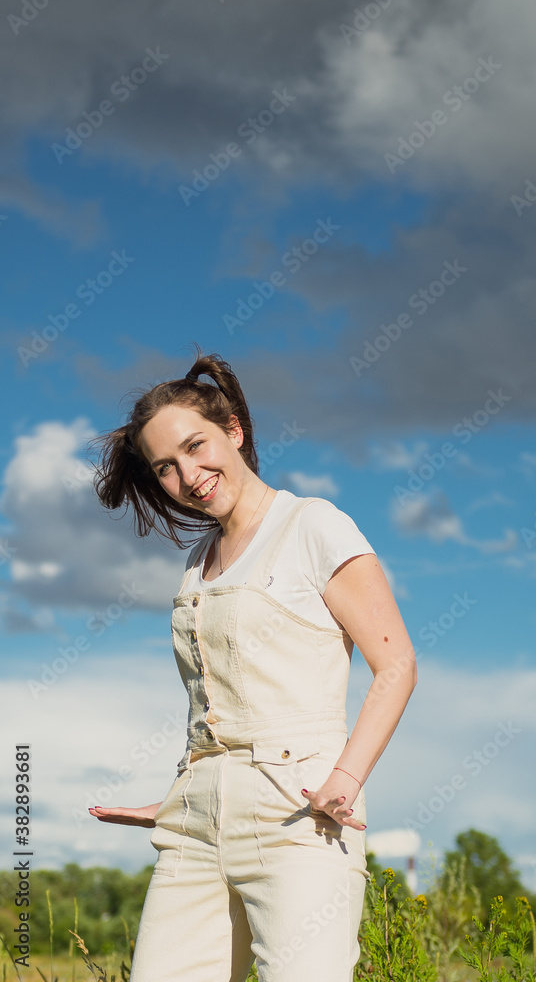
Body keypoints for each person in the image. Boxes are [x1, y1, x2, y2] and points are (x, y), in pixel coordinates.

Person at [88, 349, 417, 982]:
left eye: (197, 445)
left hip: (301, 813)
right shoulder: (197, 563)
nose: (189, 473)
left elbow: (396, 663)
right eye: (166, 466)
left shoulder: (312, 525)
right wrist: (183, 797)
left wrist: (346, 778)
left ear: (234, 430)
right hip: (194, 823)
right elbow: (219, 708)